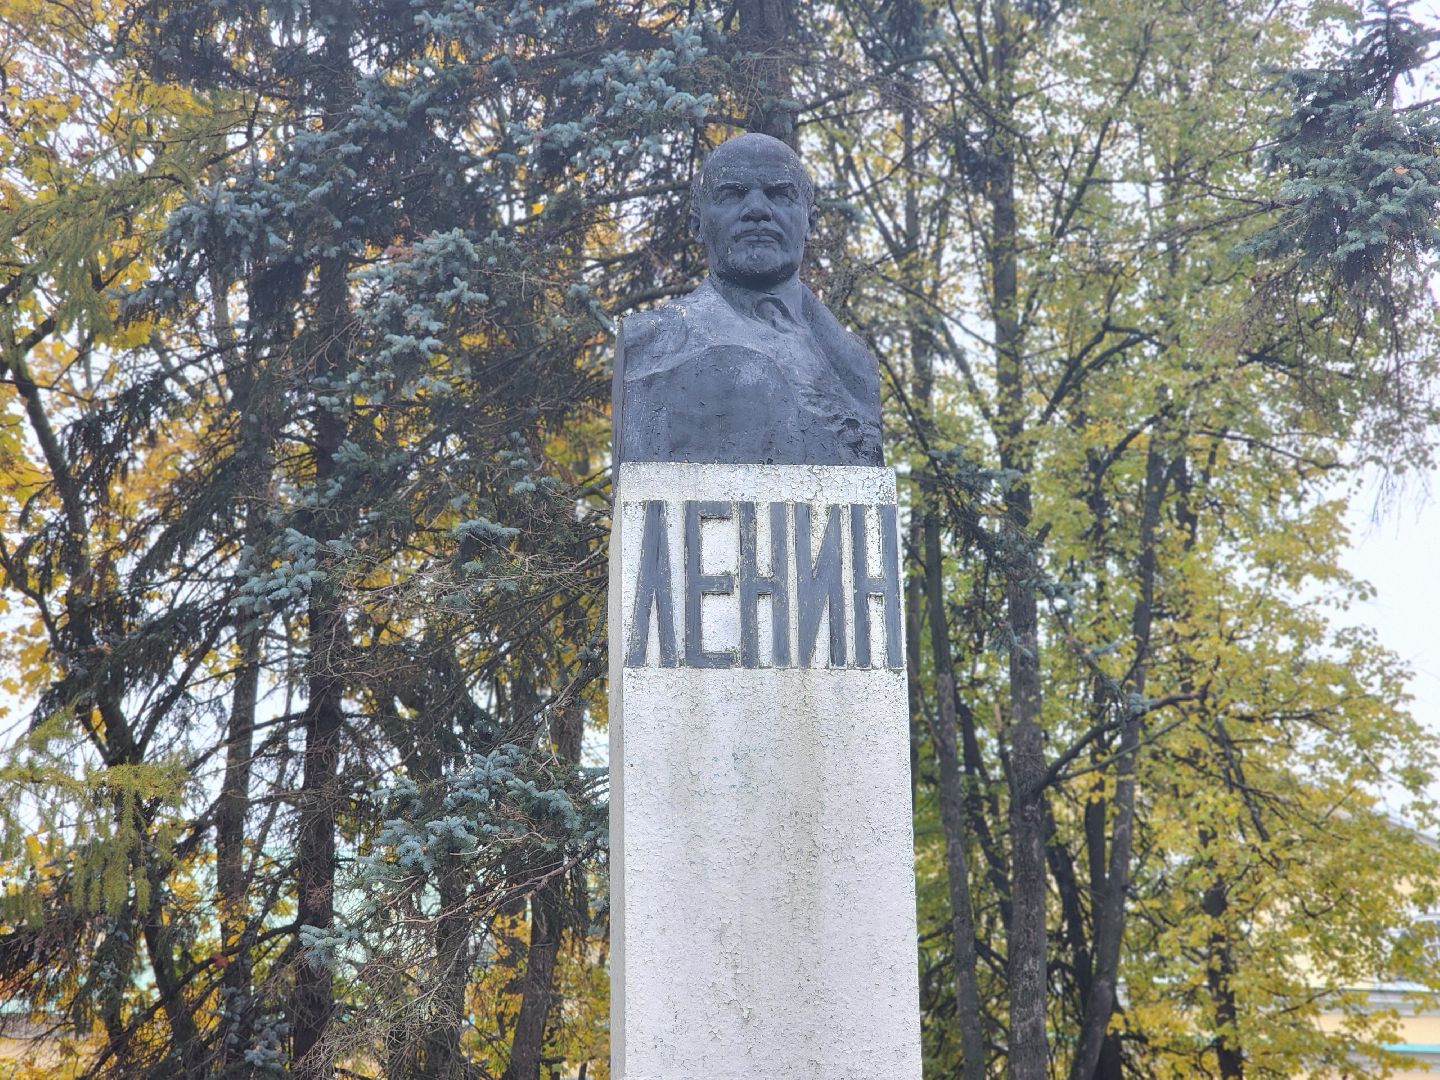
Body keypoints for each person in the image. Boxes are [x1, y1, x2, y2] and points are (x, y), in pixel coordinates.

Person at [613, 133, 884, 467]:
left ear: (810, 223)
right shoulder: (648, 345)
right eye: (732, 194)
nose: (757, 210)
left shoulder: (857, 368)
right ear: (697, 226)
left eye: (779, 194)